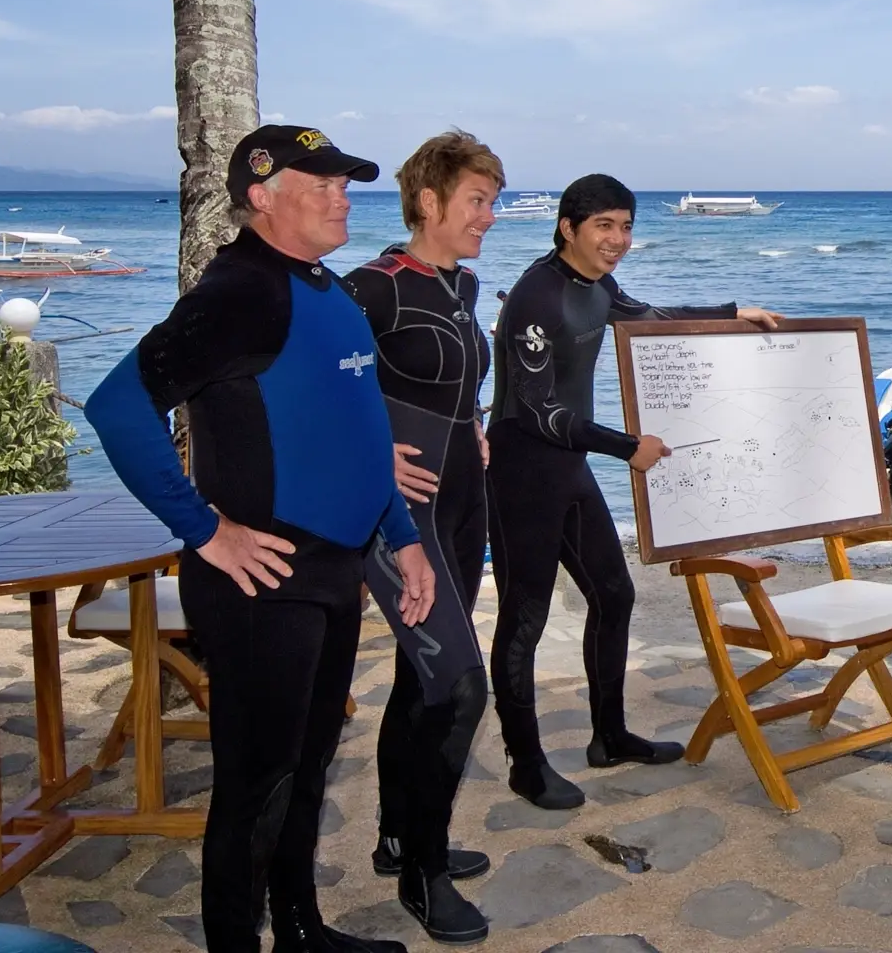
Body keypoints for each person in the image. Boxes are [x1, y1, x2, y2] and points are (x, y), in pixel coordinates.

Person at [87, 125, 436, 953]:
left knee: (307, 767)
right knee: (254, 786)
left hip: (334, 568)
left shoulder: (324, 288)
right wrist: (205, 530)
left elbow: (356, 432)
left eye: (345, 183)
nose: (343, 195)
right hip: (263, 582)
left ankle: (303, 929)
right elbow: (117, 405)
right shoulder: (241, 290)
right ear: (262, 196)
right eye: (322, 184)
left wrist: (404, 535)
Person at [487, 174, 778, 810]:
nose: (618, 239)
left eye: (625, 226)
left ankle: (609, 736)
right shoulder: (536, 298)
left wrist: (732, 314)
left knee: (613, 595)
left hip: (565, 470)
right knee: (524, 620)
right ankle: (525, 764)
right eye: (604, 227)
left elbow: (650, 317)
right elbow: (535, 410)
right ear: (568, 227)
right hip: (521, 474)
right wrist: (628, 447)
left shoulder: (597, 286)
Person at [343, 132, 504, 945]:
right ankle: (423, 876)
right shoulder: (372, 287)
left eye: (493, 201)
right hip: (400, 520)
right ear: (428, 203)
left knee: (422, 677)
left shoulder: (462, 285)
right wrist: (372, 453)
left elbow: (455, 382)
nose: (489, 216)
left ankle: (399, 834)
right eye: (477, 201)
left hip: (461, 504)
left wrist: (472, 430)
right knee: (457, 687)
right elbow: (315, 389)